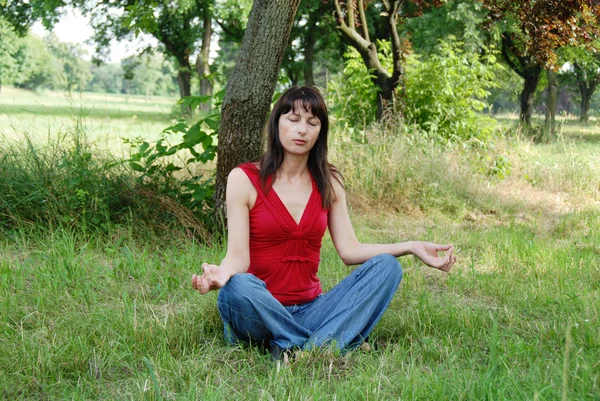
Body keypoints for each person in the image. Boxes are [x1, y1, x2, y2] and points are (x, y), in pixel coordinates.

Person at [191, 86, 456, 362]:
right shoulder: (243, 179)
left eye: (312, 122)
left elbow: (350, 250)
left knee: (388, 267)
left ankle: (294, 347)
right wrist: (222, 273)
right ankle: (326, 342)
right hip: (259, 310)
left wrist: (411, 246)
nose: (302, 130)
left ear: (320, 131)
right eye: (293, 120)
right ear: (276, 123)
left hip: (311, 309)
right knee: (237, 288)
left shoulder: (329, 181)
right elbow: (238, 258)